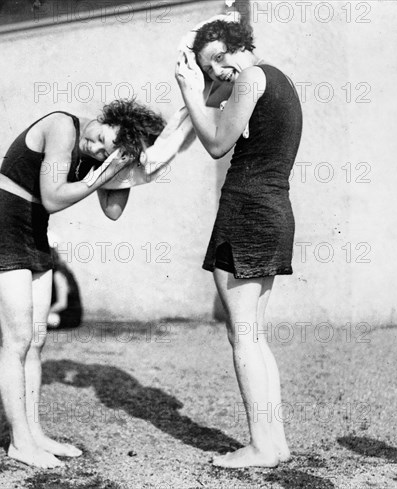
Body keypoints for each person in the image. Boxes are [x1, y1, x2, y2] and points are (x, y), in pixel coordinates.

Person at [0, 100, 164, 468]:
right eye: (103, 138)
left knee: (36, 340)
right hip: (1, 225)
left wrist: (127, 169)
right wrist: (101, 172)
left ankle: (35, 433)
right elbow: (53, 196)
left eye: (106, 151)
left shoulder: (103, 153)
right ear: (107, 119)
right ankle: (19, 442)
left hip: (34, 231)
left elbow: (113, 210)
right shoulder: (63, 127)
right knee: (17, 340)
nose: (96, 148)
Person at [175, 16, 302, 469]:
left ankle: (262, 446)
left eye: (217, 61)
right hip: (271, 211)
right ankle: (274, 442)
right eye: (209, 69)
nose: (217, 75)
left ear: (233, 45)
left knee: (243, 336)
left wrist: (191, 90)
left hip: (247, 210)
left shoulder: (250, 77)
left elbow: (215, 142)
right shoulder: (275, 78)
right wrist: (201, 64)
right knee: (253, 335)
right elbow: (216, 95)